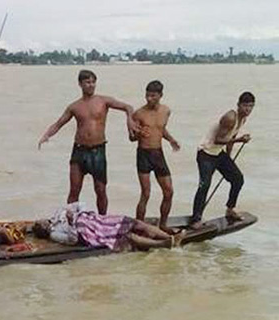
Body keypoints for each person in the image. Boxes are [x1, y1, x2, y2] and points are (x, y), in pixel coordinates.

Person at [38, 70, 137, 215]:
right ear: (80, 84)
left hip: (98, 151)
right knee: (74, 190)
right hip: (79, 151)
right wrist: (46, 135)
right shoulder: (74, 106)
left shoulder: (104, 101)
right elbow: (59, 123)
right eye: (87, 82)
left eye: (93, 82)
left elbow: (128, 107)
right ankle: (71, 224)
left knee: (101, 190)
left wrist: (130, 120)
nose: (91, 85)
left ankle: (102, 220)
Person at [189, 92, 255, 229]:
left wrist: (229, 159)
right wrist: (239, 140)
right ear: (238, 105)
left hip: (218, 153)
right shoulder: (230, 117)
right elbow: (218, 140)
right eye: (245, 106)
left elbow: (230, 138)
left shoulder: (242, 119)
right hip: (206, 153)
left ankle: (230, 209)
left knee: (237, 179)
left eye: (250, 106)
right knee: (204, 185)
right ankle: (196, 219)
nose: (248, 109)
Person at [131, 80, 181, 233]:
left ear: (160, 95)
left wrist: (171, 139)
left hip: (158, 154)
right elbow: (131, 137)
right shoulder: (139, 113)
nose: (149, 98)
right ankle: (139, 227)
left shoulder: (166, 111)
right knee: (146, 192)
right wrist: (138, 133)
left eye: (153, 96)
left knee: (169, 191)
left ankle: (163, 224)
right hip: (143, 154)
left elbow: (161, 129)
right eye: (147, 95)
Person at [33, 202, 185, 251]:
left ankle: (169, 237)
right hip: (89, 232)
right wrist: (72, 222)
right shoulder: (54, 234)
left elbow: (81, 204)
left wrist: (71, 212)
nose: (42, 223)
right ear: (44, 231)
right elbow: (72, 239)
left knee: (134, 222)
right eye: (41, 226)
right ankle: (163, 244)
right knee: (127, 236)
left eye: (40, 222)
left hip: (95, 220)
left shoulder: (58, 213)